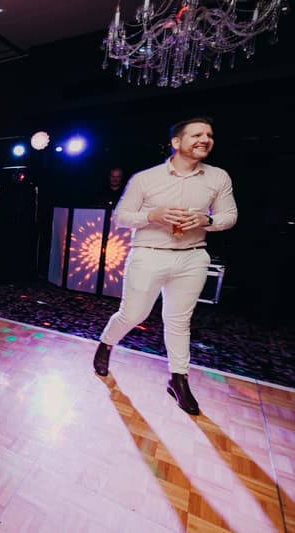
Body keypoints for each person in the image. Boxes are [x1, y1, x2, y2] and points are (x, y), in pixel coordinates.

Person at [92, 117, 238, 415]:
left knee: (179, 321)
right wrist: (153, 215)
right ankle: (106, 343)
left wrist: (207, 220)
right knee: (134, 313)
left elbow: (230, 216)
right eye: (196, 134)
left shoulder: (218, 177)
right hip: (149, 253)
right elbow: (121, 217)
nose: (205, 139)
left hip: (193, 256)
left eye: (209, 135)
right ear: (176, 142)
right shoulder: (145, 179)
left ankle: (178, 380)